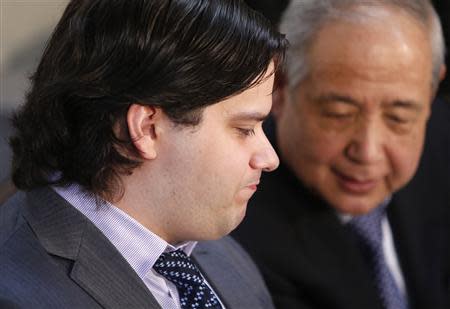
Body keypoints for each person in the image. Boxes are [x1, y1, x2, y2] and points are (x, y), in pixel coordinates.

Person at [0, 0, 287, 308]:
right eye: (244, 129)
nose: (269, 158)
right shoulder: (18, 292)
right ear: (147, 128)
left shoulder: (217, 252)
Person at [233, 0, 450, 308]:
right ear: (279, 87)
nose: (367, 152)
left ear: (429, 95)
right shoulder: (236, 235)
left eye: (398, 118)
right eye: (339, 114)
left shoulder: (442, 146)